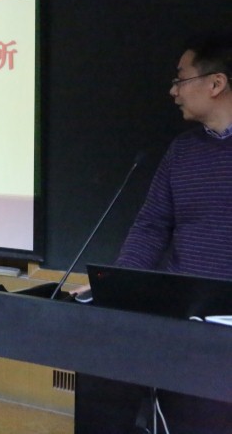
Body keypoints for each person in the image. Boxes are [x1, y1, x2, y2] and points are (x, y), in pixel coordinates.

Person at [107, 33, 232, 433]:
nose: (173, 90)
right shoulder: (182, 150)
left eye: (181, 78)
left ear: (216, 83)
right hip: (181, 322)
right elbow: (151, 225)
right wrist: (120, 282)